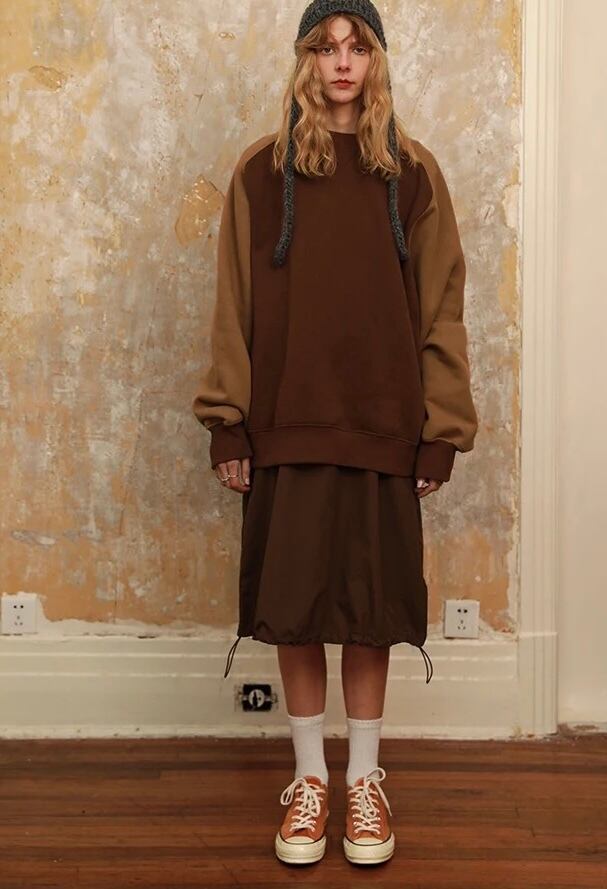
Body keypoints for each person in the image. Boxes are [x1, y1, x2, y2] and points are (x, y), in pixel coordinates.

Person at [192, 0, 478, 868]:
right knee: (295, 612)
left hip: (382, 423)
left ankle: (363, 778)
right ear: (306, 61)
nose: (342, 62)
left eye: (357, 47)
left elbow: (441, 307)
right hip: (285, 422)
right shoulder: (260, 172)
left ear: (376, 61)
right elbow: (233, 305)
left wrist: (440, 429)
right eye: (326, 47)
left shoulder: (412, 174)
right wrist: (228, 423)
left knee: (369, 613)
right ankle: (309, 776)